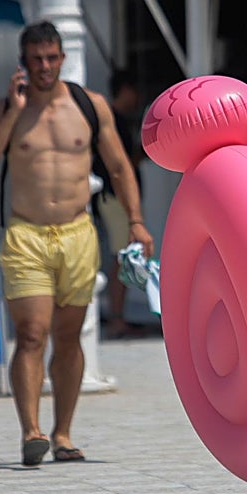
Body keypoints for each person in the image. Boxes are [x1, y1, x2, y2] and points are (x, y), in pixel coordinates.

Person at [0, 21, 153, 466]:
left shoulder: (89, 106)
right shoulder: (3, 109)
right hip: (26, 233)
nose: (45, 67)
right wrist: (13, 112)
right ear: (24, 62)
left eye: (52, 58)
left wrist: (136, 222)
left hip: (77, 232)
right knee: (31, 334)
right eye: (36, 60)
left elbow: (120, 166)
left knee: (68, 338)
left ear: (62, 58)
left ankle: (63, 433)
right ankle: (30, 431)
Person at [93, 70, 147, 339]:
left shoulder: (113, 119)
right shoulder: (113, 120)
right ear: (124, 89)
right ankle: (116, 317)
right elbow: (120, 166)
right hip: (115, 199)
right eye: (135, 91)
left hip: (111, 198)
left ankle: (117, 315)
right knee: (122, 258)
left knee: (122, 257)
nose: (138, 98)